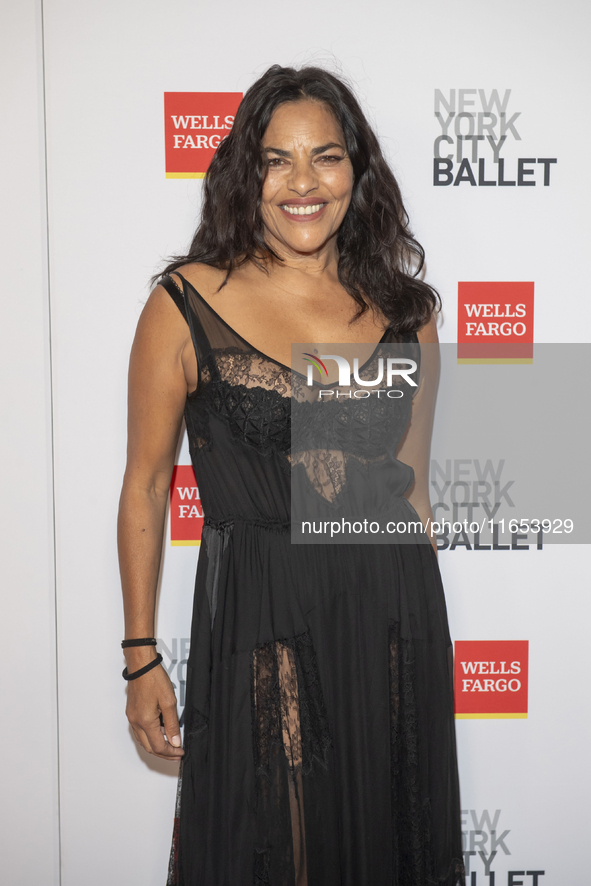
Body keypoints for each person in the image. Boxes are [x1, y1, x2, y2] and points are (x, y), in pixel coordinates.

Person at [118, 64, 465, 886]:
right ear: (248, 172)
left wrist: (418, 642)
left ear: (357, 170)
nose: (303, 183)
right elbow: (144, 485)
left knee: (386, 850)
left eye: (326, 157)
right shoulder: (186, 299)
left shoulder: (406, 312)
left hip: (388, 613)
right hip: (261, 616)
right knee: (278, 850)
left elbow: (408, 488)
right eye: (278, 160)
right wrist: (140, 657)